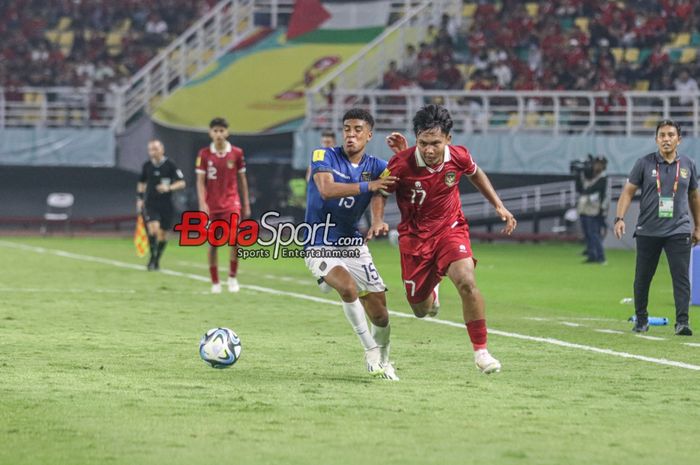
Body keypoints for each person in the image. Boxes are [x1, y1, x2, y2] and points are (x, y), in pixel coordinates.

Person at [378, 104, 517, 374]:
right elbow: (381, 192)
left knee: (466, 281)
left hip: (449, 229)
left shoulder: (459, 156)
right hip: (415, 239)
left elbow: (476, 174)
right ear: (416, 139)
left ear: (448, 140)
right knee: (421, 309)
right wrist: (377, 220)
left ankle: (482, 352)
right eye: (423, 143)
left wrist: (499, 205)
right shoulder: (401, 163)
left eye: (436, 143)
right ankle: (433, 288)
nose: (429, 150)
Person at [305, 108, 399, 380]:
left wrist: (378, 220)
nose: (351, 134)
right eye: (347, 128)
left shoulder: (378, 167)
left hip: (352, 244)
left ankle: (384, 358)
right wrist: (366, 187)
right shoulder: (323, 156)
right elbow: (326, 189)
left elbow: (381, 192)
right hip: (318, 240)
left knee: (380, 313)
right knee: (347, 287)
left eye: (358, 129)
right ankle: (370, 350)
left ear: (369, 135)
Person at [614, 119, 699, 336]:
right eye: (662, 135)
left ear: (679, 140)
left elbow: (694, 196)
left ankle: (682, 322)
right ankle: (641, 320)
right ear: (656, 139)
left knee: (681, 278)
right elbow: (628, 192)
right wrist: (619, 218)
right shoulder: (644, 163)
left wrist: (698, 226)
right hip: (648, 230)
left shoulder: (688, 165)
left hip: (678, 230)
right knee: (642, 277)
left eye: (671, 135)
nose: (666, 139)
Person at [195, 117, 251, 294]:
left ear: (227, 132)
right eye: (215, 131)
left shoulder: (236, 153)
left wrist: (246, 203)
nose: (218, 134)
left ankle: (232, 277)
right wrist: (202, 203)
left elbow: (242, 180)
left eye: (221, 131)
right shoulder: (204, 154)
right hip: (212, 205)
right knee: (213, 243)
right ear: (210, 133)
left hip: (231, 203)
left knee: (234, 239)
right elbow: (200, 181)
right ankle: (215, 281)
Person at [136, 140, 186, 271]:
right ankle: (152, 258)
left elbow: (181, 182)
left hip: (166, 204)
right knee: (153, 230)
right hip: (151, 203)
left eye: (155, 149)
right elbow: (141, 183)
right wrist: (140, 198)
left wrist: (168, 187)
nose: (153, 152)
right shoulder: (147, 166)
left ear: (162, 149)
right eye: (151, 149)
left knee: (163, 234)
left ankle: (157, 259)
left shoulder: (170, 165)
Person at [576, 156, 609, 264]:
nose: (597, 166)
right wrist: (578, 174)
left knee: (594, 233)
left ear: (604, 166)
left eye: (600, 164)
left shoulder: (603, 178)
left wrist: (602, 211)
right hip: (584, 208)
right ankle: (592, 255)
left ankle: (601, 256)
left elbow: (590, 189)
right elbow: (580, 188)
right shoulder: (591, 176)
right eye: (596, 163)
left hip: (595, 210)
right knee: (588, 233)